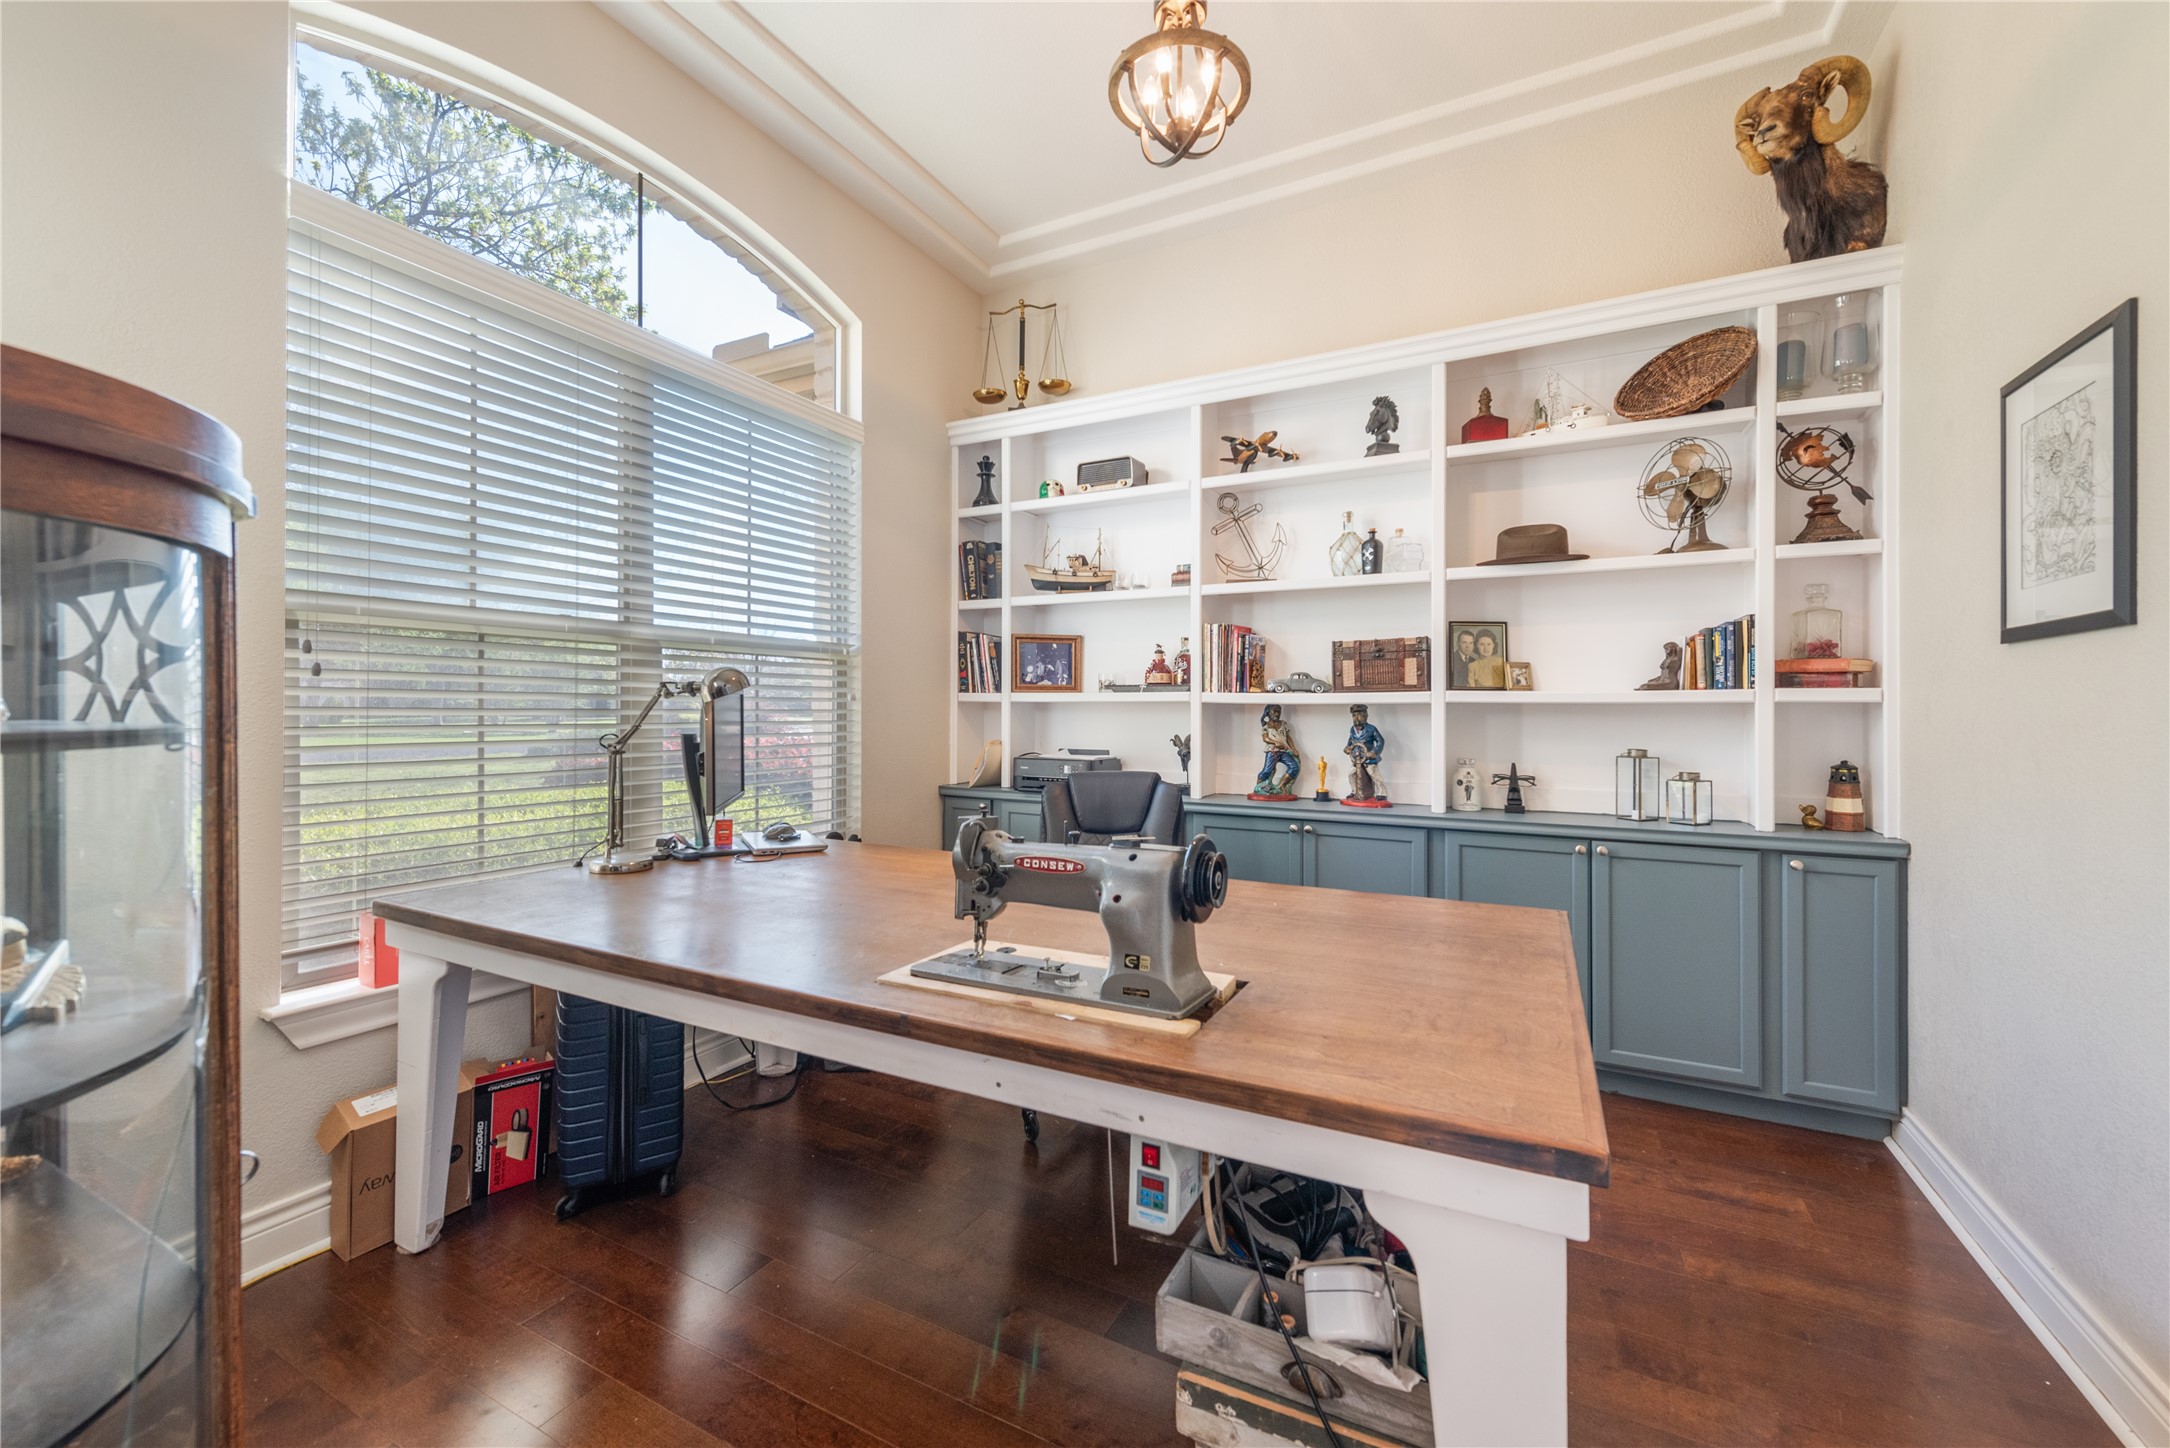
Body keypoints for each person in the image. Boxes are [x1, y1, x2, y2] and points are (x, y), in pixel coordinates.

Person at [1251, 704, 1300, 798]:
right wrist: (1274, 742)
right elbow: (1265, 738)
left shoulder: (1283, 724)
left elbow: (1288, 738)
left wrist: (1293, 748)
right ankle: (1258, 787)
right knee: (1267, 771)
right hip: (1272, 751)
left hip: (1284, 751)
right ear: (1268, 713)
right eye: (1274, 711)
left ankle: (1281, 786)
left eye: (1279, 711)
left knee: (1294, 767)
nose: (1277, 713)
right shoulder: (1266, 725)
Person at [1343, 704, 1386, 803]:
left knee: (1374, 775)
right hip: (1356, 759)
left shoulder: (1372, 729)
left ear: (1366, 716)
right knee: (1351, 774)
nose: (1356, 717)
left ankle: (1381, 793)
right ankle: (1354, 791)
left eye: (1359, 715)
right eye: (1354, 715)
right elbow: (1351, 740)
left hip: (1369, 759)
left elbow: (1381, 741)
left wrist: (1374, 752)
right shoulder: (1352, 729)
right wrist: (1347, 747)